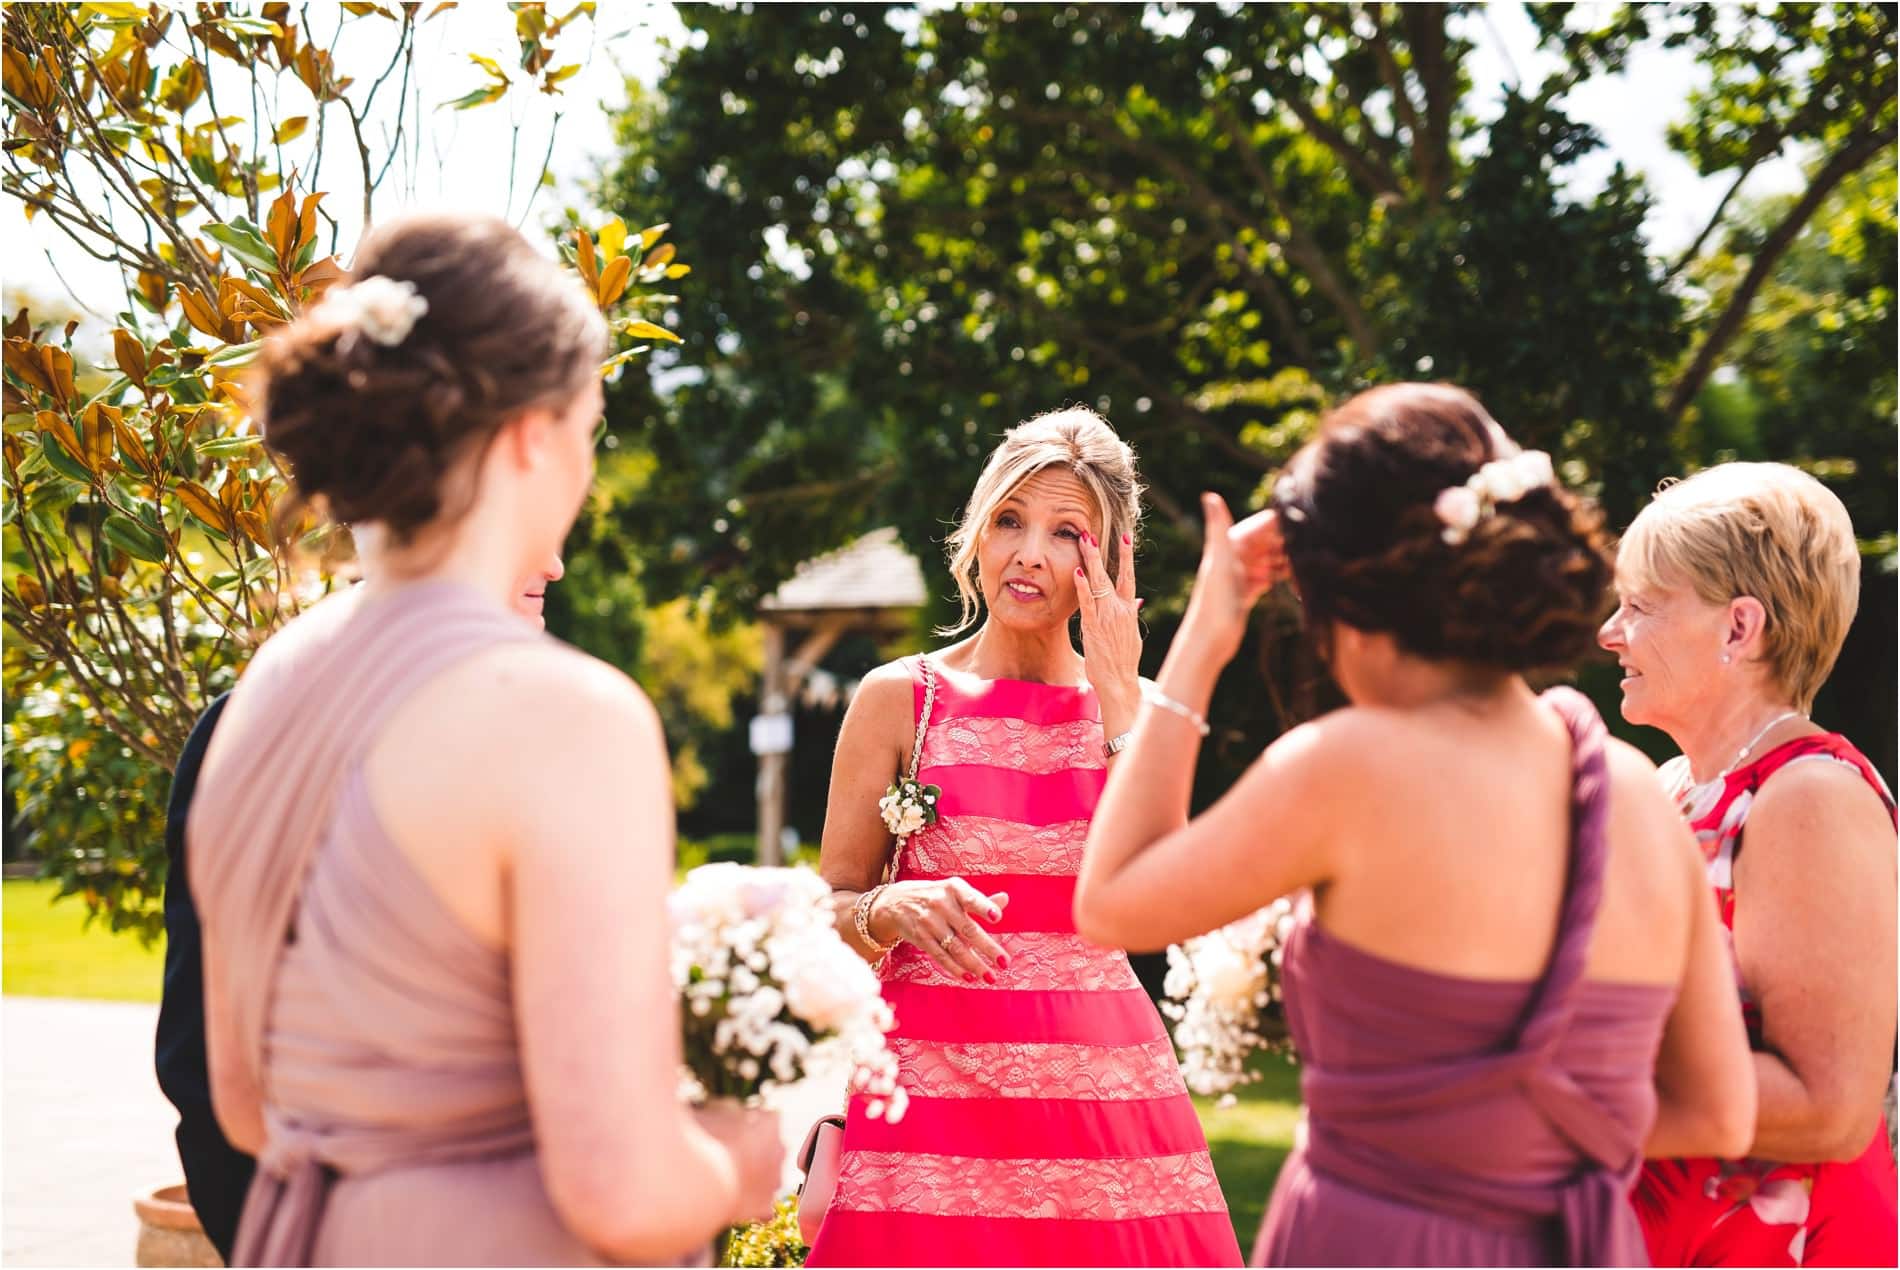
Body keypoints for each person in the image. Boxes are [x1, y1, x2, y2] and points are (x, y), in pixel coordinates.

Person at [185, 213, 782, 1266]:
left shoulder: (260, 697)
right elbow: (626, 1194)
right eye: (590, 426)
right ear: (531, 435)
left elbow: (243, 1106)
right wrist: (738, 1158)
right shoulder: (567, 715)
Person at [1075, 383, 1756, 1266]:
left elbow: (1114, 901)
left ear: (1348, 600)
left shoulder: (1348, 767)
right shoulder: (1635, 794)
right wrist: (1523, 1144)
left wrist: (1206, 633)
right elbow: (1720, 1112)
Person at [806, 408, 1242, 1268]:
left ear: (1111, 558)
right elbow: (828, 911)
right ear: (977, 530)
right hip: (925, 1097)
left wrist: (1120, 697)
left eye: (1066, 533)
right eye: (1010, 520)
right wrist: (888, 907)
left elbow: (1165, 903)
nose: (1030, 553)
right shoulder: (899, 698)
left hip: (1104, 1099)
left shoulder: (1141, 712)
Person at [154, 555, 568, 1260]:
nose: (555, 565)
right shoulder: (257, 729)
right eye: (529, 517)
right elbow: (203, 1059)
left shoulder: (549, 734)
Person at [1599, 462, 1897, 1267]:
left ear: (1739, 628)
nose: (1609, 634)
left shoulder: (1809, 797)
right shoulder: (1671, 788)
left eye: (1639, 606)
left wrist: (1549, 1089)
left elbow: (1831, 1110)